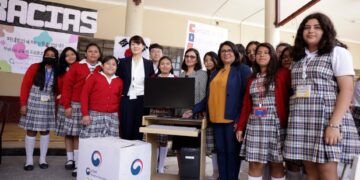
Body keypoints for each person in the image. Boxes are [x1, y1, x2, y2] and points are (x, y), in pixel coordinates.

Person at [284, 12, 360, 180]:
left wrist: (334, 125)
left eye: (317, 27)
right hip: (302, 120)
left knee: (327, 173)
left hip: (326, 119)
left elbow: (347, 90)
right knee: (310, 170)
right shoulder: (298, 58)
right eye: (307, 27)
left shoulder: (337, 52)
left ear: (326, 31)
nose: (311, 31)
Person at [193, 41, 251, 180]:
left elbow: (246, 96)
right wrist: (193, 109)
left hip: (232, 120)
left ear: (235, 53)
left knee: (232, 153)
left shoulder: (242, 69)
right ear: (219, 54)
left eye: (229, 50)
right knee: (220, 152)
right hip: (215, 119)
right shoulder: (215, 72)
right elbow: (209, 96)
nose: (226, 53)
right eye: (223, 51)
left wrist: (240, 119)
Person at [236, 43, 291, 180]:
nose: (262, 55)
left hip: (276, 124)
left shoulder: (283, 73)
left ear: (272, 55)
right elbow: (246, 106)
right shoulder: (251, 78)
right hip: (255, 124)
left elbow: (291, 97)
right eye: (259, 52)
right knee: (254, 164)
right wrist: (240, 127)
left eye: (266, 52)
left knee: (276, 164)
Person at [62, 42, 102, 177]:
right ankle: (70, 159)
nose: (93, 54)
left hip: (92, 106)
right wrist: (67, 105)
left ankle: (79, 163)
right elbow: (67, 86)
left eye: (95, 51)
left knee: (81, 135)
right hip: (75, 103)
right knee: (70, 133)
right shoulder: (76, 66)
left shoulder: (102, 67)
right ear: (85, 54)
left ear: (99, 54)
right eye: (90, 51)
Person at [19, 47, 59, 171]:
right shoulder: (34, 67)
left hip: (49, 103)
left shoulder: (58, 71)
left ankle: (42, 159)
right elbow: (25, 86)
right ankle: (29, 160)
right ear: (43, 56)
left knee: (45, 131)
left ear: (56, 58)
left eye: (53, 55)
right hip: (33, 101)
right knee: (31, 130)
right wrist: (23, 104)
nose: (50, 57)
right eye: (47, 54)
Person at [172, 48, 207, 172]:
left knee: (192, 147)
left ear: (197, 59)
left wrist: (195, 110)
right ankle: (182, 171)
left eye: (192, 57)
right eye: (187, 56)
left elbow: (203, 94)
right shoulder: (181, 74)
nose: (189, 59)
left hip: (194, 115)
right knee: (178, 146)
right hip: (180, 115)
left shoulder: (202, 74)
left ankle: (192, 173)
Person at [116, 35, 155, 140]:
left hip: (142, 99)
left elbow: (151, 81)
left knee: (139, 127)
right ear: (129, 47)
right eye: (132, 44)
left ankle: (136, 154)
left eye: (138, 44)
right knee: (126, 127)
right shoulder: (123, 62)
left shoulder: (149, 64)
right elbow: (118, 79)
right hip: (127, 98)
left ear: (143, 46)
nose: (135, 46)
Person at [80, 56, 123, 138]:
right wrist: (85, 114)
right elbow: (84, 95)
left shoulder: (119, 81)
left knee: (110, 144)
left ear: (117, 68)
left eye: (114, 64)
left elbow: (118, 101)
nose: (111, 66)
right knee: (92, 143)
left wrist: (118, 118)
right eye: (108, 64)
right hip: (95, 115)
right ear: (102, 66)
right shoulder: (94, 77)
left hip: (112, 116)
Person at [55, 47, 80, 170]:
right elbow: (59, 88)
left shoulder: (82, 68)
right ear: (63, 58)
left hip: (78, 104)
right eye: (67, 55)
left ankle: (77, 160)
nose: (70, 57)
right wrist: (61, 96)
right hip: (65, 104)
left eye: (72, 54)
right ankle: (69, 159)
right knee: (68, 133)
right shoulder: (61, 72)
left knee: (76, 134)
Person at [150, 56, 176, 173]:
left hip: (169, 113)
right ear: (159, 66)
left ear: (171, 66)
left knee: (164, 140)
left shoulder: (175, 79)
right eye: (162, 64)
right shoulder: (153, 79)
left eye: (167, 64)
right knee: (154, 139)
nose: (165, 66)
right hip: (154, 111)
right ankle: (153, 166)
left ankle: (160, 167)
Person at [203, 51, 220, 180]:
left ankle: (218, 173)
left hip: (217, 115)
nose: (208, 62)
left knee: (217, 146)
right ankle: (216, 172)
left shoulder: (218, 73)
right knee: (212, 147)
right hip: (209, 115)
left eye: (210, 60)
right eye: (206, 60)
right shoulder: (208, 75)